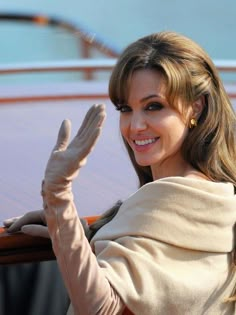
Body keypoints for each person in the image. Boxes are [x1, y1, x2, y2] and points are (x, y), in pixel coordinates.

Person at [3, 31, 236, 315]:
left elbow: (101, 308)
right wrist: (68, 229)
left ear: (195, 107)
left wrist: (58, 195)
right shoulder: (218, 195)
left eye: (153, 106)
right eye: (126, 108)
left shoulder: (174, 200)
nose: (135, 126)